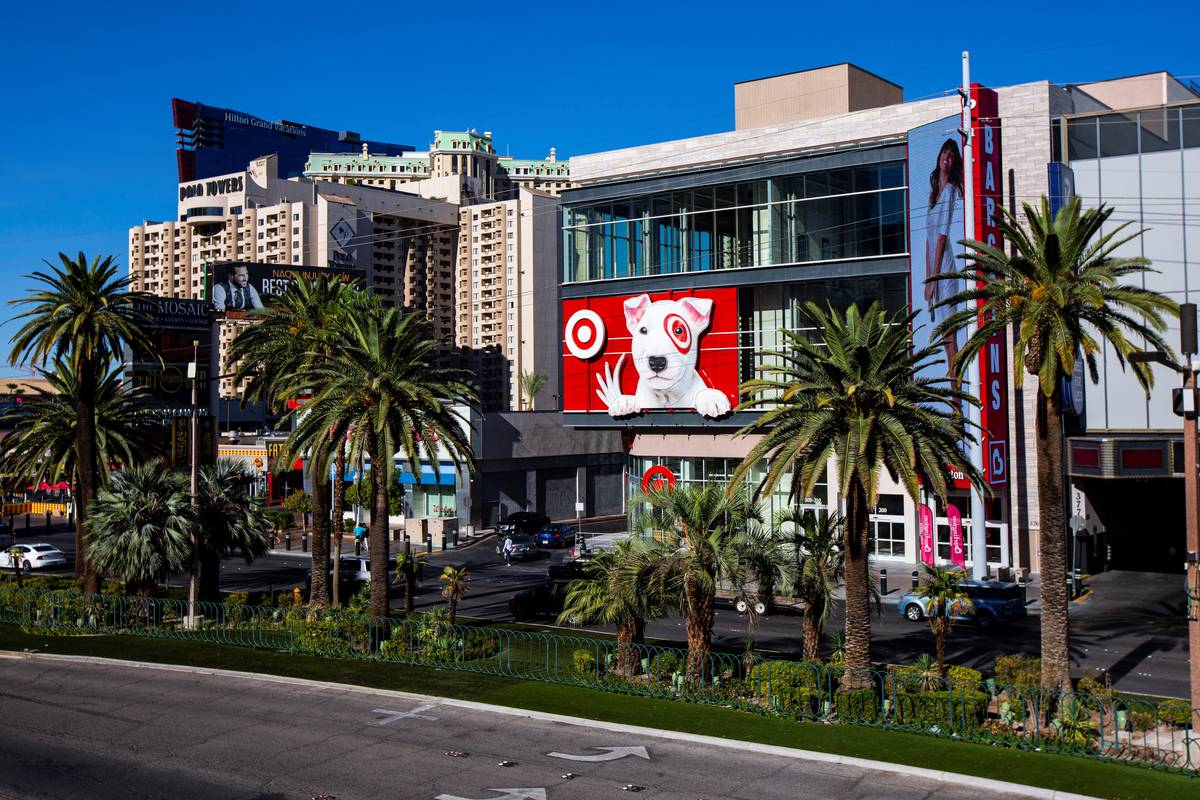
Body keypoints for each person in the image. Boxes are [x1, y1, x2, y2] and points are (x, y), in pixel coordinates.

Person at [924, 137, 966, 375]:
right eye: (945, 153)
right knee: (944, 337)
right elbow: (929, 241)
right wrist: (927, 278)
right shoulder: (934, 195)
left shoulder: (949, 191)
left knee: (950, 339)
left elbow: (940, 238)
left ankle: (957, 398)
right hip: (935, 271)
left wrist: (934, 278)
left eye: (951, 156)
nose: (946, 158)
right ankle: (954, 395)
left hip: (945, 271)